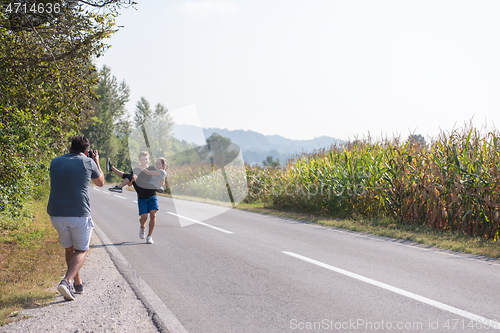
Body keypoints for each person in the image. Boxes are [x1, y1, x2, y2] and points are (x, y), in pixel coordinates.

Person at [47, 136, 104, 301]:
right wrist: (96, 161)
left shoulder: (55, 161)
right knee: (82, 249)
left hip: (56, 214)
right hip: (79, 213)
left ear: (70, 148)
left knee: (69, 249)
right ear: (86, 152)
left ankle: (77, 285)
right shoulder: (88, 162)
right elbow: (100, 182)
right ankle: (67, 281)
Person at [108, 151, 159, 244]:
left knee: (153, 215)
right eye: (143, 159)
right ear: (139, 160)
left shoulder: (151, 169)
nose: (145, 161)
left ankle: (149, 236)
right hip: (142, 198)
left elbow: (158, 177)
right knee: (144, 217)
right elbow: (130, 184)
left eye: (146, 159)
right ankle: (142, 226)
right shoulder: (136, 170)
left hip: (152, 196)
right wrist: (132, 179)